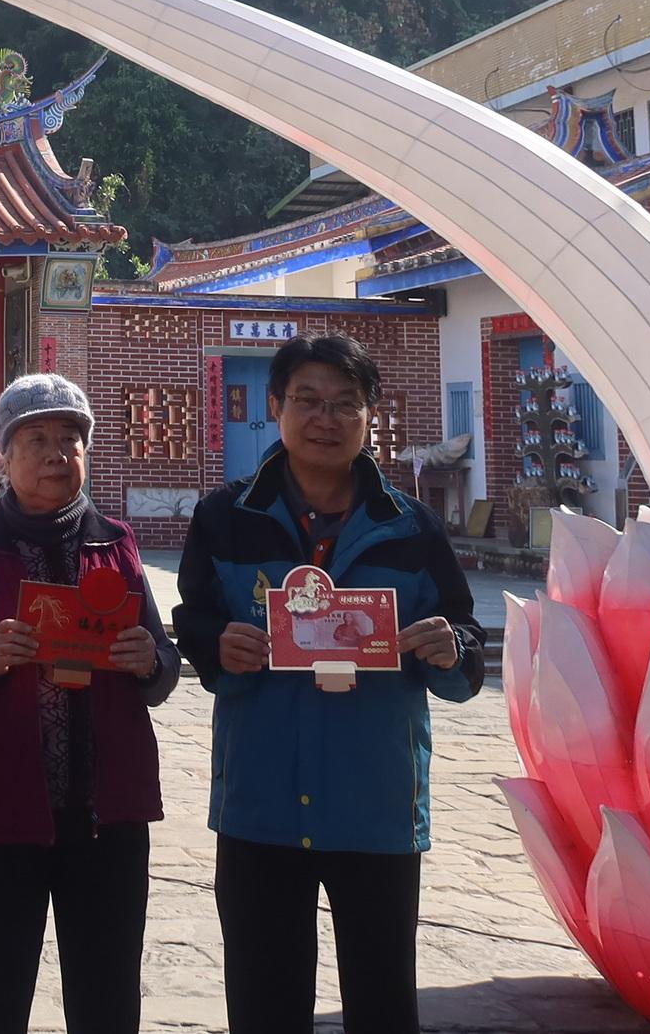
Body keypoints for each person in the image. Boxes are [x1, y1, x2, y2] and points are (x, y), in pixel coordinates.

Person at [173, 334, 487, 1034]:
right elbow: (193, 623)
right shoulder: (224, 517)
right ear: (277, 407)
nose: (327, 418)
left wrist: (449, 647)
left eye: (347, 403)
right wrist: (217, 647)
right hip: (263, 802)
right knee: (263, 1002)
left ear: (371, 416)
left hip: (373, 805)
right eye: (309, 400)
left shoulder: (410, 526)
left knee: (380, 1005)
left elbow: (467, 649)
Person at [0, 373, 178, 1034]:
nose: (58, 453)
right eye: (37, 439)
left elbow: (165, 668)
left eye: (71, 438)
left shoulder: (115, 545)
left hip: (106, 816)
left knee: (109, 996)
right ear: (4, 452)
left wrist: (150, 662)